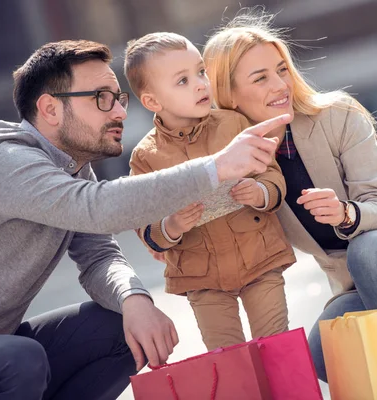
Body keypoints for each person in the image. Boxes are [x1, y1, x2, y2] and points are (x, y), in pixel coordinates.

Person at [0, 39, 290, 400]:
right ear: (51, 109)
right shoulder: (1, 159)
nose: (121, 111)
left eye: (119, 98)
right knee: (15, 360)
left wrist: (133, 298)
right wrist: (217, 167)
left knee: (120, 330)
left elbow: (99, 254)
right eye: (102, 99)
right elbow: (99, 208)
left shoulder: (71, 168)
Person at [203, 11, 377, 400]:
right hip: (376, 290)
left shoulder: (338, 115)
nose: (280, 84)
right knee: (322, 354)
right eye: (260, 77)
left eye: (281, 69)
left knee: (370, 249)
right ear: (229, 95)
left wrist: (345, 213)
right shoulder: (241, 167)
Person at [124, 32, 296, 351]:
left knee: (277, 345)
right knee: (228, 357)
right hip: (201, 279)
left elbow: (271, 173)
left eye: (200, 72)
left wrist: (261, 192)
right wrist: (171, 226)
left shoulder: (234, 125)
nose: (201, 84)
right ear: (152, 101)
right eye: (183, 81)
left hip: (259, 258)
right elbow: (145, 227)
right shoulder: (146, 158)